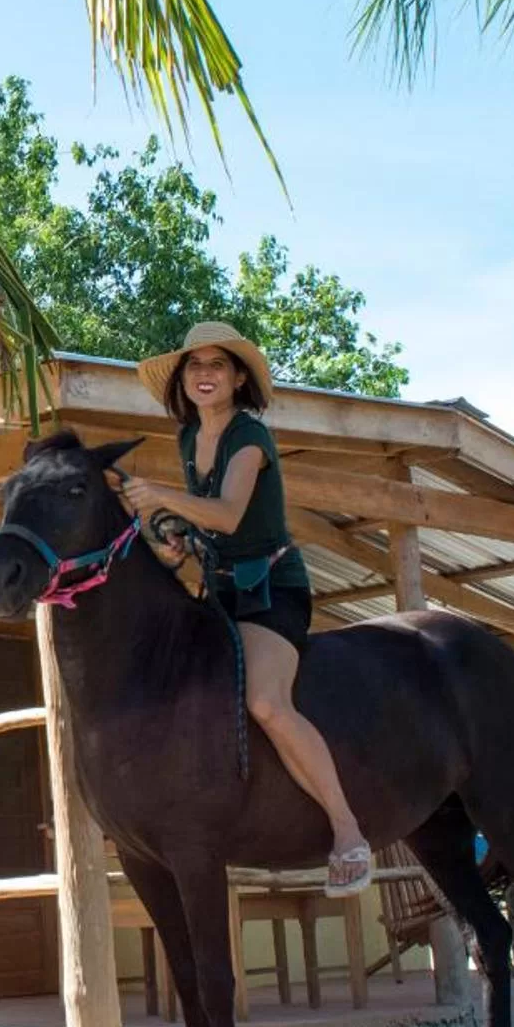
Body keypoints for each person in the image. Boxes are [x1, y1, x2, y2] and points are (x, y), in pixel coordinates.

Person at [119, 321, 374, 896]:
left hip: (272, 592)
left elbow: (230, 513)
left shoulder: (250, 437)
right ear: (182, 381)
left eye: (216, 365)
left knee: (265, 701)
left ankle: (346, 830)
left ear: (238, 378)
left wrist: (160, 497)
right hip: (220, 593)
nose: (204, 374)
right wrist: (180, 536)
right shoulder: (190, 437)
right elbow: (210, 522)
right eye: (194, 366)